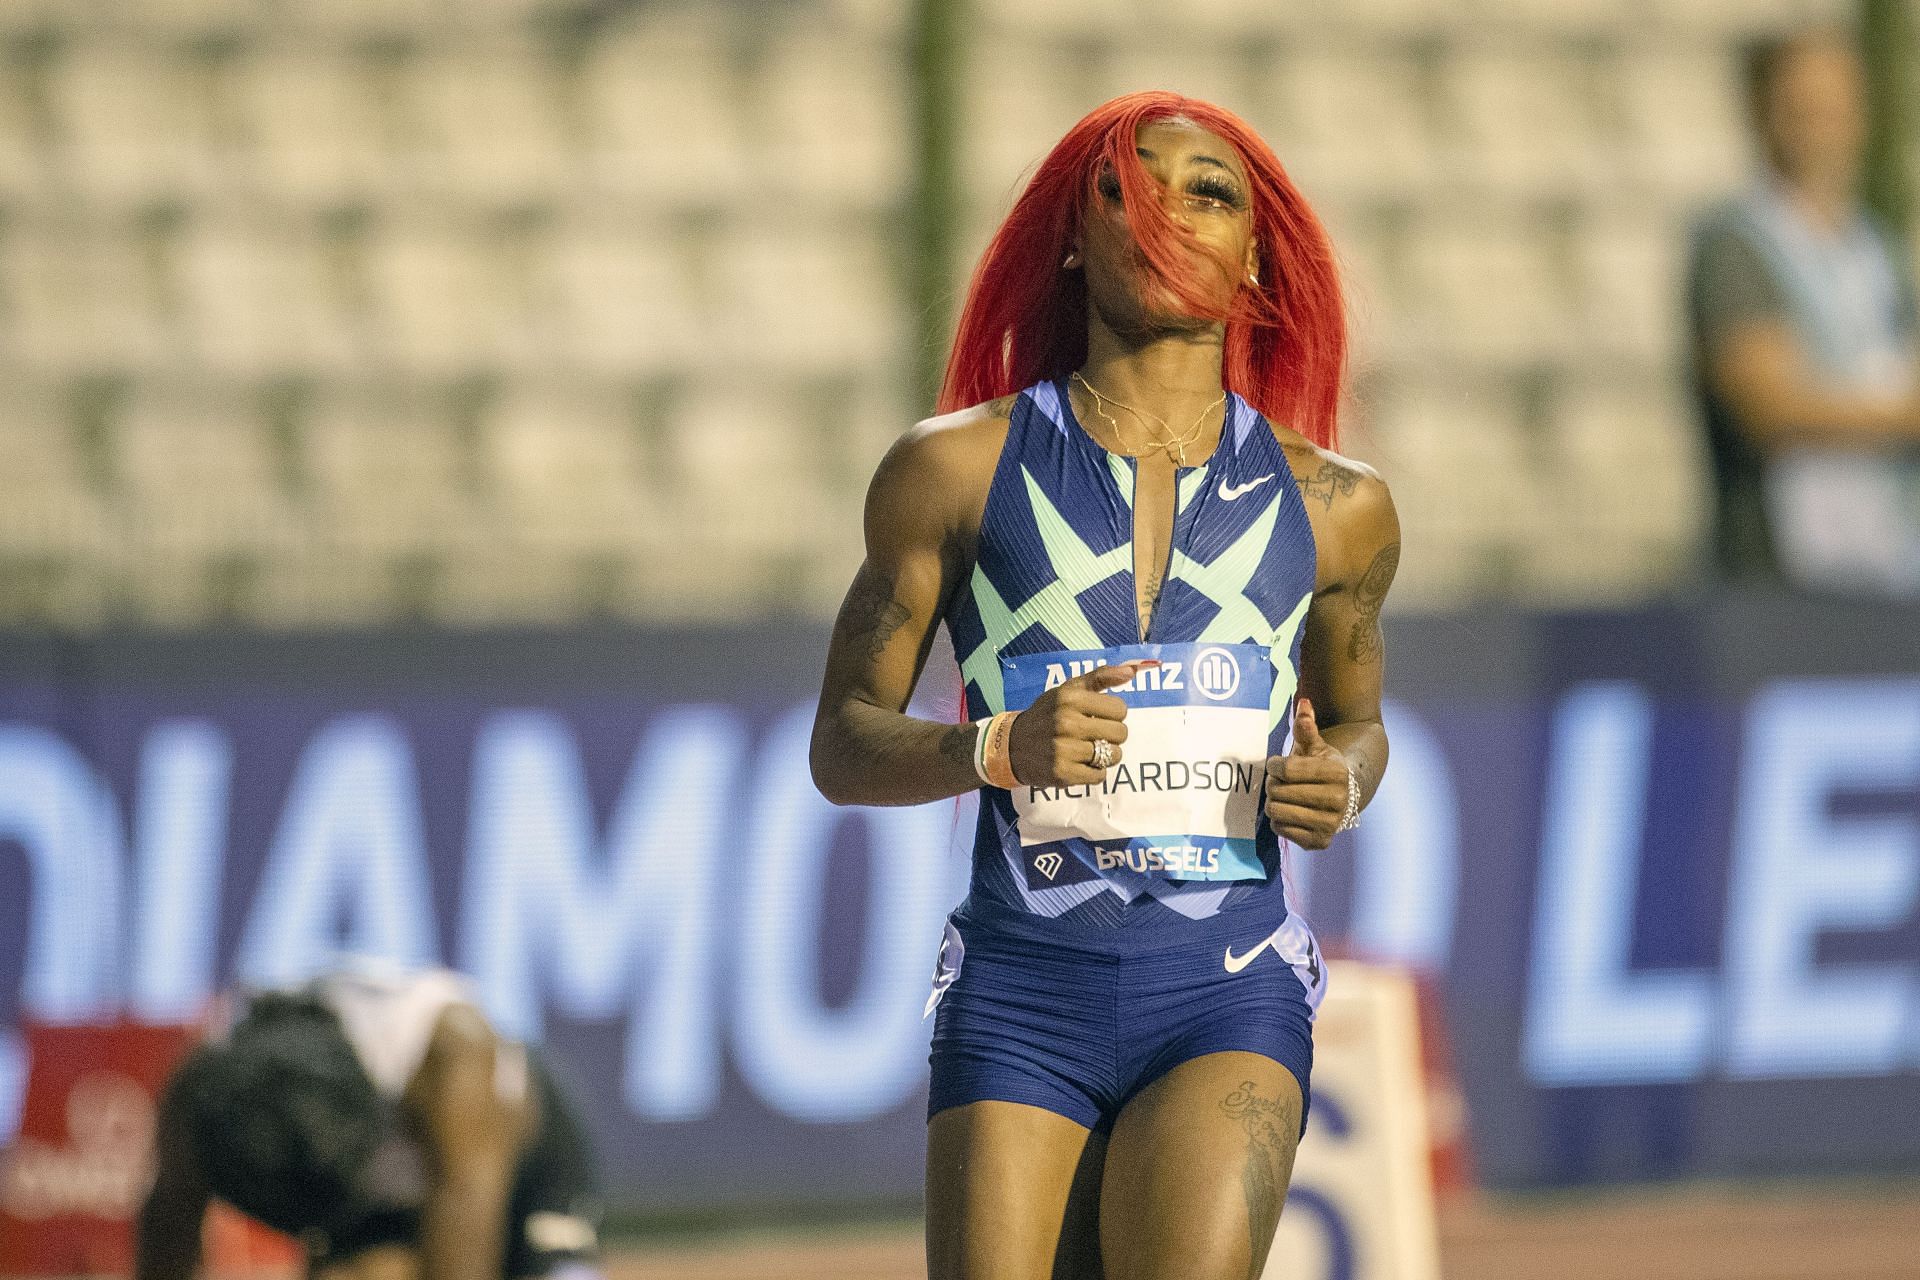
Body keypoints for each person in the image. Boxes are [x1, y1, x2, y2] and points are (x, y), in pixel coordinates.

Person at [810, 91, 1399, 1280]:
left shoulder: (1340, 508)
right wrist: (994, 749)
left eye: (1211, 191)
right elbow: (842, 741)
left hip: (1227, 990)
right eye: (1130, 183)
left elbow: (1358, 725)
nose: (1172, 211)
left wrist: (1338, 781)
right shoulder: (950, 470)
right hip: (1022, 996)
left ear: (1257, 261)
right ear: (1073, 236)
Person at [135, 961, 603, 1280]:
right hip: (394, 1198)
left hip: (527, 1170)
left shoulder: (450, 1061)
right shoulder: (203, 1097)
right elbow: (166, 1231)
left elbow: (466, 1247)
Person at [1686, 27, 1920, 595]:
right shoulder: (1737, 246)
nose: (1820, 130)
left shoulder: (1876, 249)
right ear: (1763, 114)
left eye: (1834, 109)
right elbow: (1769, 407)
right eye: (1801, 109)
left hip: (1887, 560)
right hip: (1782, 574)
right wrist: (1900, 417)